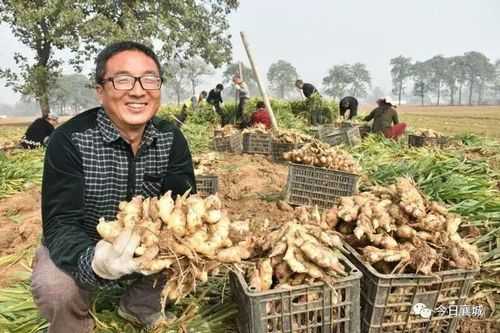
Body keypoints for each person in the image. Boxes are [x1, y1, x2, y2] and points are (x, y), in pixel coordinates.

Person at [31, 41, 196, 333]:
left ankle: (138, 306)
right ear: (100, 90)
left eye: (149, 79)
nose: (137, 90)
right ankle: (73, 325)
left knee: (185, 254)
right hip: (81, 242)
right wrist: (95, 260)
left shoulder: (172, 139)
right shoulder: (70, 140)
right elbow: (60, 223)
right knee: (56, 289)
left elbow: (183, 208)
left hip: (148, 241)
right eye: (122, 80)